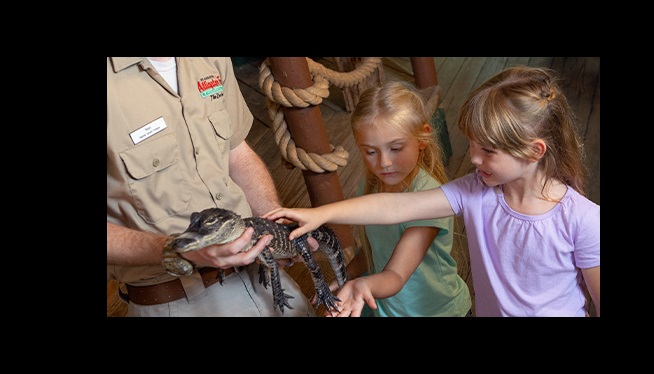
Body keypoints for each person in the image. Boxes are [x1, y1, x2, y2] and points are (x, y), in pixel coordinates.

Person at [264, 66, 600, 317]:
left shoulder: (584, 220)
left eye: (487, 150)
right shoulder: (475, 190)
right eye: (472, 145)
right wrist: (320, 213)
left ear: (534, 151)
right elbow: (392, 208)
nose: (472, 157)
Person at [107, 57, 317, 317]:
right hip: (177, 298)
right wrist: (178, 249)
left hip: (264, 276)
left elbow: (236, 152)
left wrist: (275, 223)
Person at [315, 81, 472, 317]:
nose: (384, 163)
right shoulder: (369, 187)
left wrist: (362, 285)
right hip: (390, 308)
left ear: (422, 139)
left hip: (437, 312)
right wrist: (345, 277)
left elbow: (397, 275)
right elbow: (375, 251)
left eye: (395, 148)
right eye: (370, 152)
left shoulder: (428, 197)